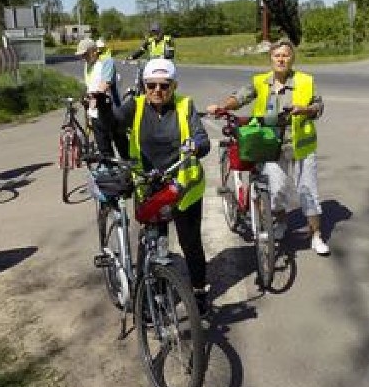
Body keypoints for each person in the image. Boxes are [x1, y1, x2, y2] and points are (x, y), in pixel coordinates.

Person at [206, 38, 330, 256]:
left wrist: (305, 109)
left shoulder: (305, 81)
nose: (281, 59)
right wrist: (222, 107)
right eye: (277, 55)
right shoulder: (261, 81)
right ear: (271, 58)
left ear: (292, 58)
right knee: (276, 189)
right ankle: (281, 222)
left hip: (301, 145)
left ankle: (316, 235)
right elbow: (240, 96)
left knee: (308, 191)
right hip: (271, 145)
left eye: (285, 55)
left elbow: (319, 107)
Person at [108, 58, 210, 314]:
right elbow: (113, 124)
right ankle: (151, 295)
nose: (157, 91)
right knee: (153, 243)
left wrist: (197, 145)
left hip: (183, 188)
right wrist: (100, 103)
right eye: (151, 85)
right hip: (149, 187)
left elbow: (201, 137)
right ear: (144, 85)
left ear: (174, 85)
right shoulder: (136, 105)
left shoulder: (185, 105)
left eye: (164, 86)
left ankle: (199, 292)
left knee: (191, 244)